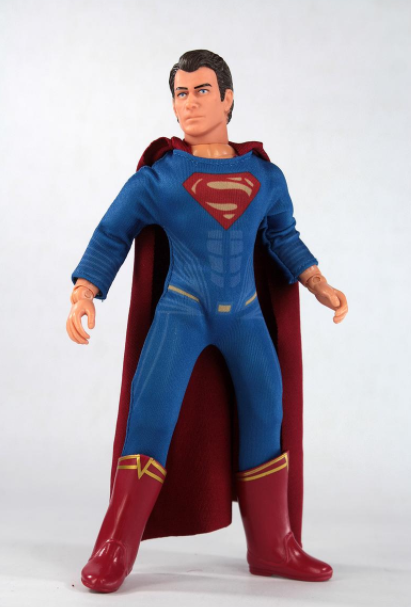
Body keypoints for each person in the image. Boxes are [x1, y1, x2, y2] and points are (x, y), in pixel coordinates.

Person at [67, 49, 348, 593]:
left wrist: (317, 282)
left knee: (267, 412)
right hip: (181, 310)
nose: (190, 103)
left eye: (201, 90)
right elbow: (112, 233)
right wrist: (85, 290)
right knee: (151, 416)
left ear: (228, 98)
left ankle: (273, 544)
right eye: (180, 93)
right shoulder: (161, 178)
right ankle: (114, 545)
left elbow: (283, 236)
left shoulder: (264, 176)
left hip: (245, 314)